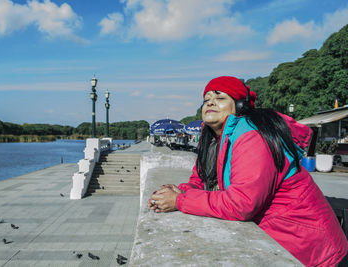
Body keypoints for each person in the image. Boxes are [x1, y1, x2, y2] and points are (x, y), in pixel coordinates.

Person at [148, 76, 348, 266]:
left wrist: (179, 201)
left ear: (241, 105)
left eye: (220, 97)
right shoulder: (212, 138)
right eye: (206, 99)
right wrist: (182, 190)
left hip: (308, 245)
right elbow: (200, 178)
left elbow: (242, 203)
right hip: (281, 237)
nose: (210, 102)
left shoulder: (252, 135)